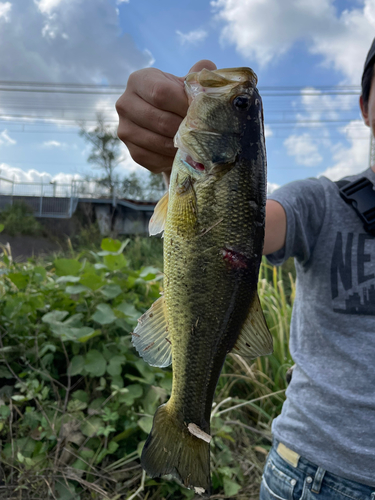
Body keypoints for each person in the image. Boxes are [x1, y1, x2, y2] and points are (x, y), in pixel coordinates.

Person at [116, 38, 375, 498]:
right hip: (309, 476)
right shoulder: (322, 201)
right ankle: (186, 416)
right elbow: (258, 228)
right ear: (365, 106)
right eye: (240, 105)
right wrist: (167, 159)